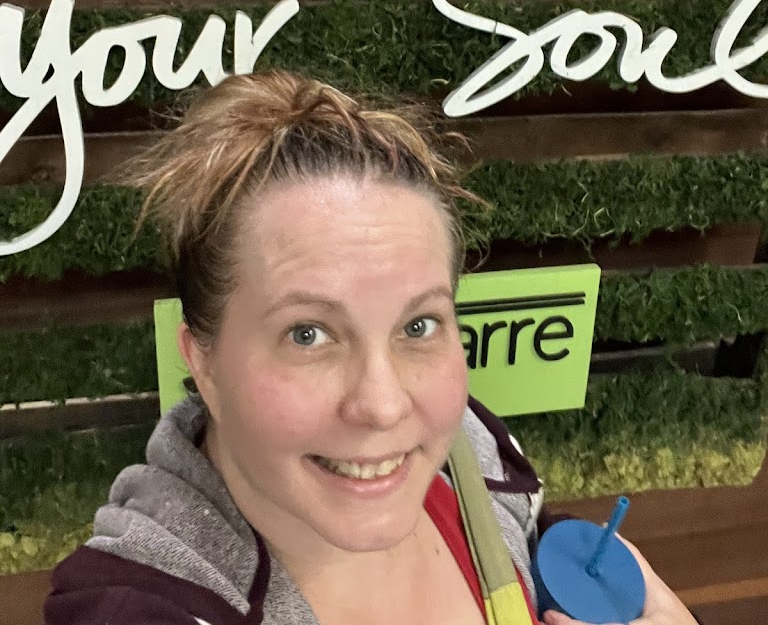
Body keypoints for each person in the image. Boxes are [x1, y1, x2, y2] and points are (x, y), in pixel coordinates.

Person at [44, 71, 699, 625]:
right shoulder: (138, 607)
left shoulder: (474, 459)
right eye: (307, 334)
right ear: (203, 363)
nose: (385, 407)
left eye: (418, 326)